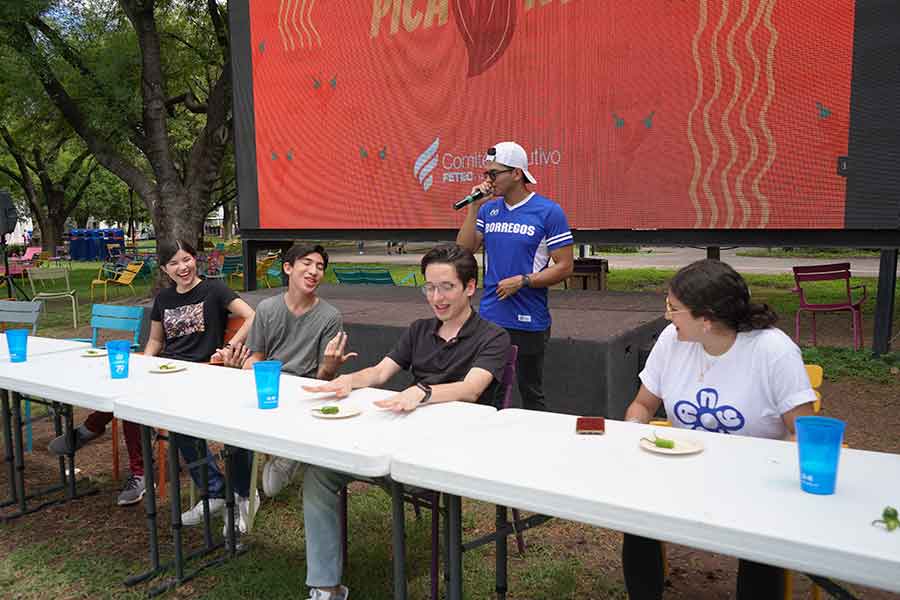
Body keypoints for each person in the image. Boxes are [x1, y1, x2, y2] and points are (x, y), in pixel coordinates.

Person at [299, 243, 511, 600]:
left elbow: (473, 389)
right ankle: (325, 587)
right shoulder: (419, 329)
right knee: (320, 471)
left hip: (451, 452)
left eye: (447, 287)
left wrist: (422, 392)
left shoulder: (494, 336)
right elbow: (382, 371)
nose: (436, 297)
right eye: (429, 287)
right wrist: (348, 380)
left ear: (470, 287)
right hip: (397, 440)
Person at [621, 259, 816, 599]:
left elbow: (806, 433)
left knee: (761, 541)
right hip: (684, 472)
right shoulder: (672, 339)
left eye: (674, 308)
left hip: (758, 483)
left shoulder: (773, 350)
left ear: (707, 319)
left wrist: (780, 481)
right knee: (637, 517)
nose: (667, 315)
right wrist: (632, 434)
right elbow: (643, 404)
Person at [219, 243, 356, 497]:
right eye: (307, 263)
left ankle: (291, 453)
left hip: (304, 392)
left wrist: (329, 367)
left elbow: (322, 378)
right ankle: (241, 493)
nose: (314, 271)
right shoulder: (267, 309)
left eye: (320, 267)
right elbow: (256, 357)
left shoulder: (330, 316)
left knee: (272, 487)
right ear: (288, 267)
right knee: (233, 420)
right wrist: (239, 368)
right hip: (271, 385)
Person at [456, 141, 573, 412]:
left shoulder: (548, 212)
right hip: (489, 316)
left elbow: (565, 266)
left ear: (517, 173)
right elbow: (464, 250)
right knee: (485, 392)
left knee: (530, 392)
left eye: (493, 174)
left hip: (528, 319)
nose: (488, 180)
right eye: (486, 174)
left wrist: (524, 280)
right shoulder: (488, 210)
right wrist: (473, 207)